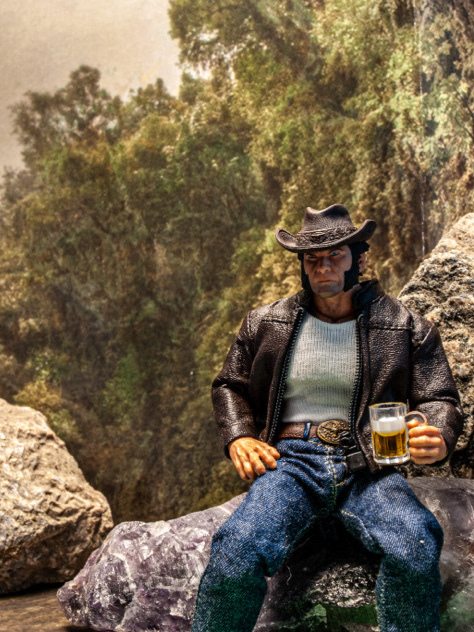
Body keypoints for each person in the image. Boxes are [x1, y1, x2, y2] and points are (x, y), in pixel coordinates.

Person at [191, 204, 464, 632]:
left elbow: (439, 398)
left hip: (368, 463)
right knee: (237, 548)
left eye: (335, 255)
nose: (323, 267)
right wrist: (240, 436)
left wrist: (437, 434)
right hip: (290, 461)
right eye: (312, 259)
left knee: (415, 541)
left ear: (359, 258)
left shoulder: (406, 326)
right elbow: (230, 385)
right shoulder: (266, 322)